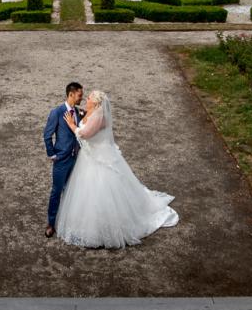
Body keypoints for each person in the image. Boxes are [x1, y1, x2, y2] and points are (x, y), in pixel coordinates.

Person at [55, 89, 179, 249]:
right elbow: (86, 116)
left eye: (90, 97)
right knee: (86, 190)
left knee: (100, 190)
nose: (87, 99)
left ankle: (103, 228)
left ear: (97, 102)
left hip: (99, 157)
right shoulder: (92, 110)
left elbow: (84, 134)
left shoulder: (99, 116)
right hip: (88, 156)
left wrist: (72, 125)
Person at [41, 82, 85, 238]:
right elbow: (47, 135)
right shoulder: (57, 112)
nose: (82, 98)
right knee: (56, 191)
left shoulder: (79, 112)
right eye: (80, 95)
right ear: (71, 94)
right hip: (61, 159)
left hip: (76, 159)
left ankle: (69, 223)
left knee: (72, 191)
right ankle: (51, 223)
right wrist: (52, 154)